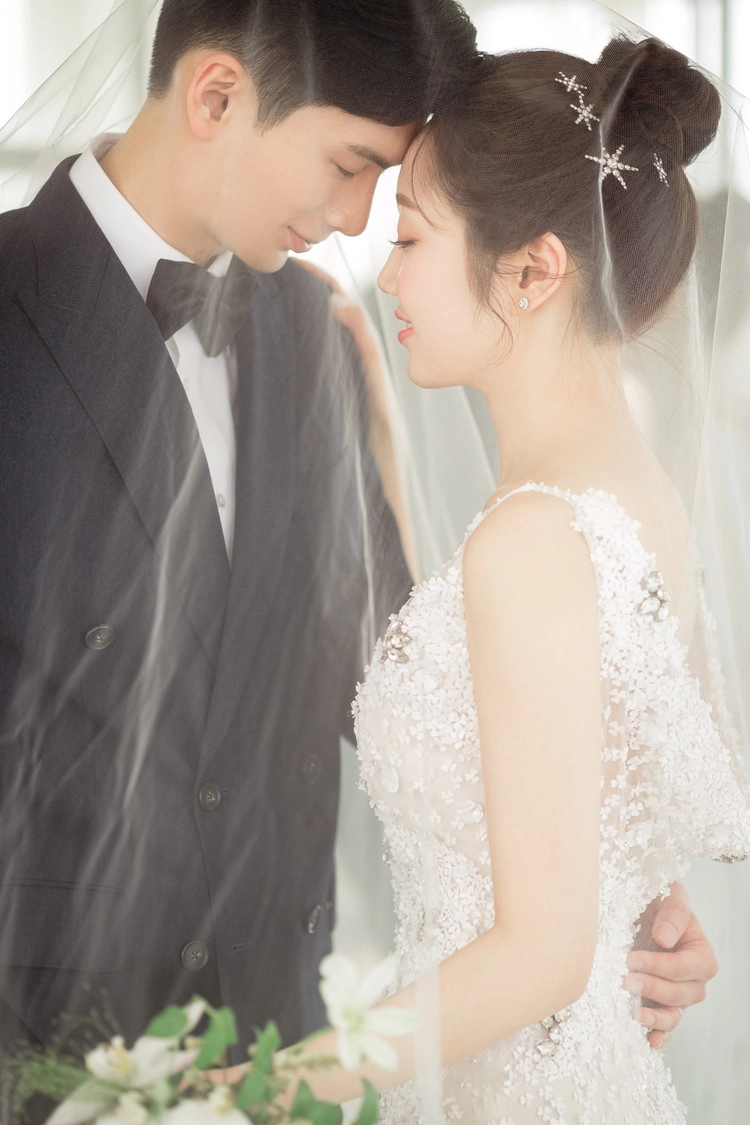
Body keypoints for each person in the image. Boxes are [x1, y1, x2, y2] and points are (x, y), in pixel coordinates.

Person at [0, 0, 719, 1106]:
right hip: (40, 1041)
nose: (357, 221)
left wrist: (606, 871)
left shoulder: (316, 334)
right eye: (350, 165)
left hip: (277, 1044)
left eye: (392, 197)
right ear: (216, 96)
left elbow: (399, 665)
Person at [276, 34, 750, 1123]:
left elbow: (541, 951)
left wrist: (265, 1091)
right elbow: (592, 806)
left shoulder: (533, 539)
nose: (388, 273)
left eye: (410, 236)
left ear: (534, 270)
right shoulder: (631, 497)